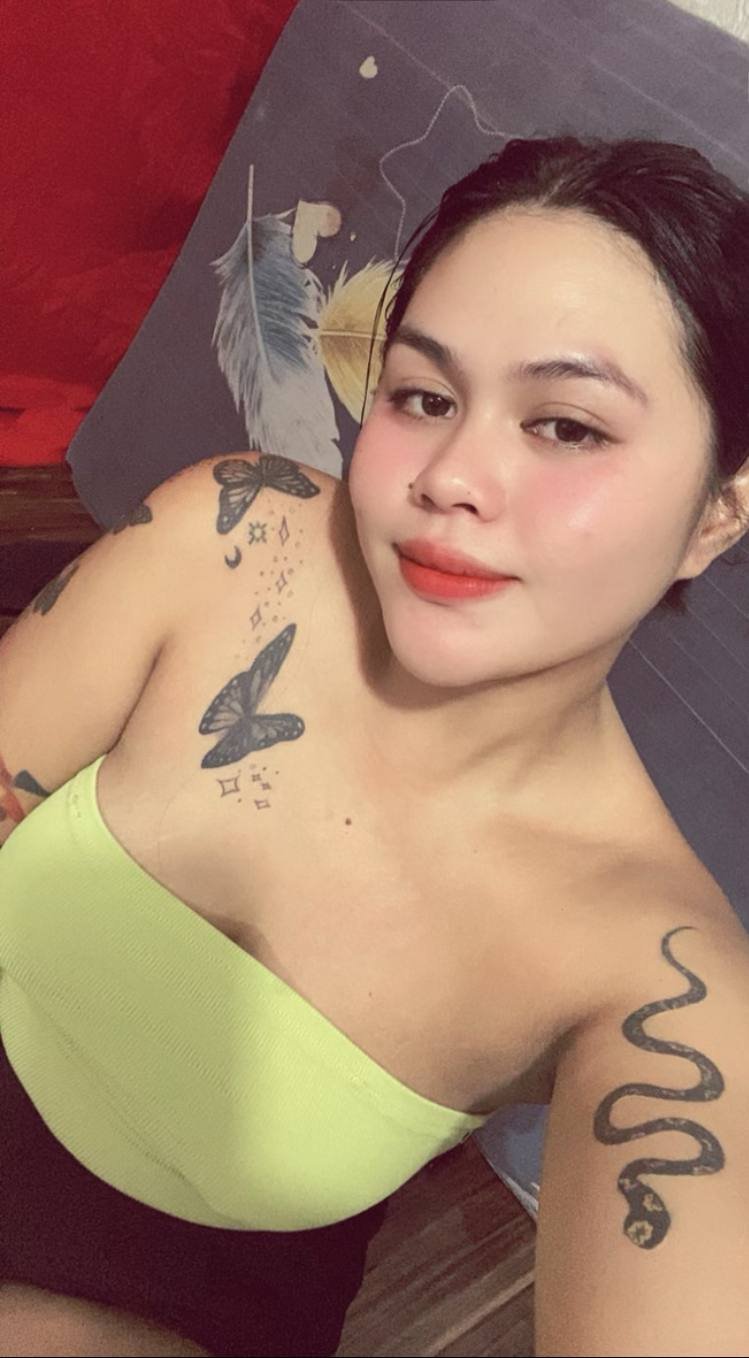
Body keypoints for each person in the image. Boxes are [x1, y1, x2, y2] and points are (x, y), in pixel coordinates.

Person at [1, 133, 748, 1356]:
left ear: (714, 512)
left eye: (565, 425)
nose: (451, 476)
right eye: (422, 397)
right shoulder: (234, 537)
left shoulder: (658, 977)